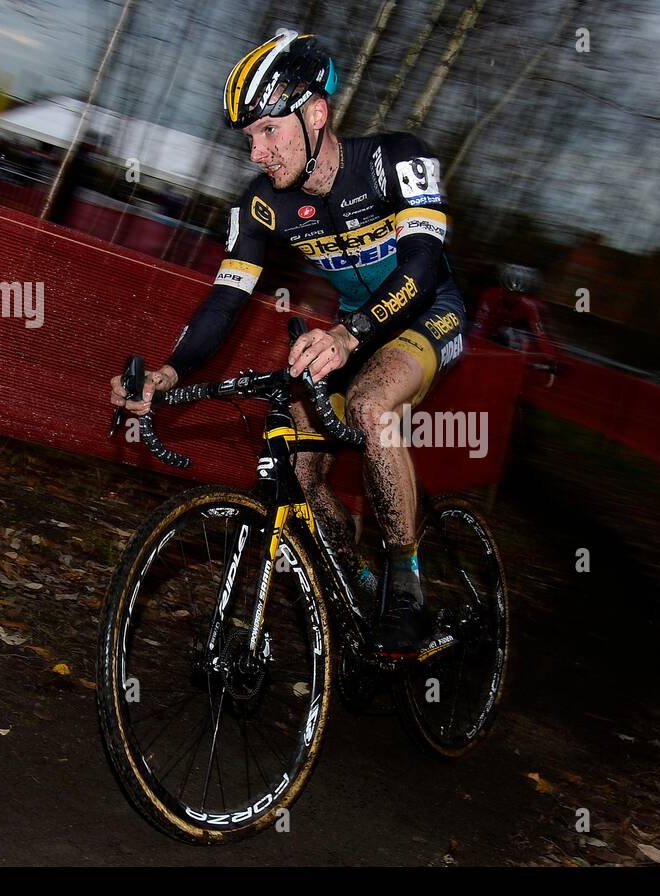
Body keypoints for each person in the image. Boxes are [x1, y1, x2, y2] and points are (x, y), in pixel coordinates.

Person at [110, 30, 469, 658]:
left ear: (317, 113)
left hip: (425, 310)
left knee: (371, 408)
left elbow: (422, 263)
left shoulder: (395, 159)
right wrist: (169, 373)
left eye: (269, 130)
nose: (257, 151)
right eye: (248, 137)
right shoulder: (260, 206)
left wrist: (351, 333)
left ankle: (406, 586)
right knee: (300, 466)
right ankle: (356, 583)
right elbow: (226, 299)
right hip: (350, 326)